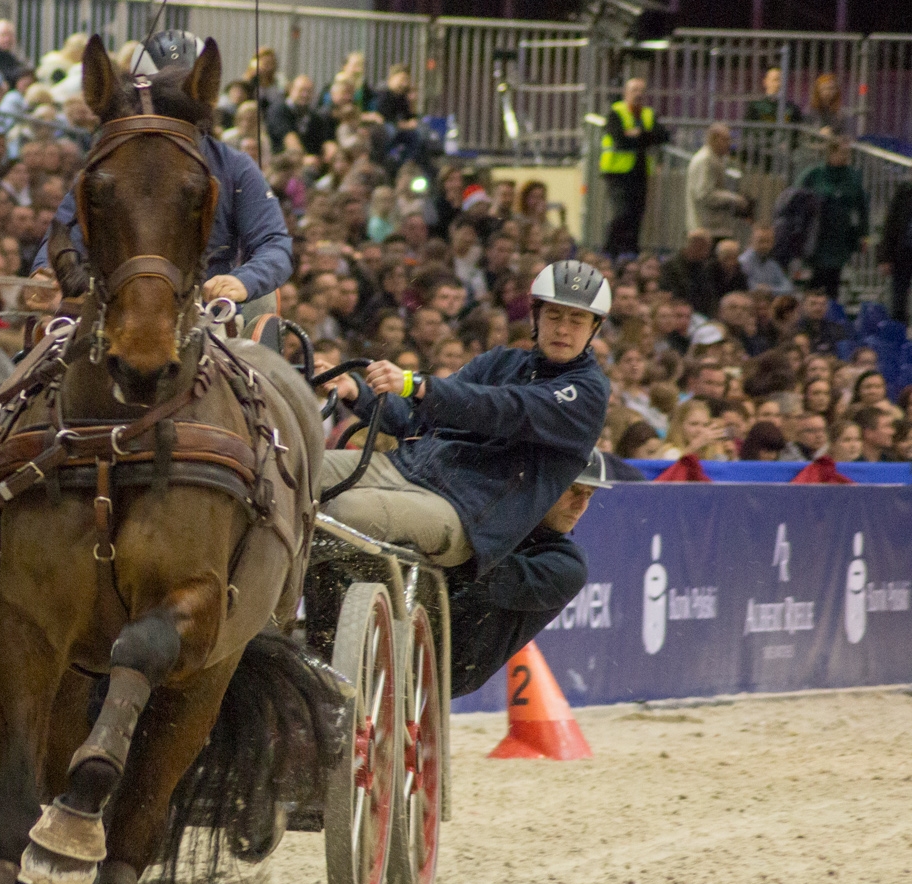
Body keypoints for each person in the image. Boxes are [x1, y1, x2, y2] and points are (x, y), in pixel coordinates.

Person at [322, 260, 610, 575]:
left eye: (577, 320)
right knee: (294, 471)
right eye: (553, 315)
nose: (563, 329)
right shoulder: (499, 361)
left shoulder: (587, 392)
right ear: (535, 316)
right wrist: (357, 393)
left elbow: (505, 409)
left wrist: (416, 384)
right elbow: (415, 417)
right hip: (406, 468)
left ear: (594, 327)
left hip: (465, 514)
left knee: (342, 509)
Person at [31, 30, 293, 314]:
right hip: (112, 305)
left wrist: (244, 280)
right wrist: (47, 272)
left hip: (210, 312)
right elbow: (65, 232)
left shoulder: (235, 166)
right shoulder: (112, 161)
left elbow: (274, 244)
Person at [448, 449, 611, 697]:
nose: (580, 505)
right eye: (574, 490)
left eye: (588, 495)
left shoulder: (567, 565)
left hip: (453, 665)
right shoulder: (494, 518)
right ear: (542, 486)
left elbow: (482, 579)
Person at [600, 78, 669, 257]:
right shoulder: (616, 112)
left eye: (641, 90)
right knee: (621, 213)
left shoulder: (648, 113)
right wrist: (644, 137)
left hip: (640, 172)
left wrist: (636, 135)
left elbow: (663, 135)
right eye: (634, 90)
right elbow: (620, 140)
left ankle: (631, 252)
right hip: (617, 172)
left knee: (637, 214)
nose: (638, 94)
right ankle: (610, 251)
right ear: (626, 93)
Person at [795, 137, 868, 300]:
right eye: (841, 152)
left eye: (847, 153)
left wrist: (864, 234)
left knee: (834, 279)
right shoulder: (814, 174)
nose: (845, 157)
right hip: (816, 235)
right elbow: (797, 200)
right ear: (830, 153)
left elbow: (862, 207)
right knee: (815, 278)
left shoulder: (853, 177)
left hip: (840, 236)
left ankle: (830, 314)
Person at [685, 124, 749, 240]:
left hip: (713, 225)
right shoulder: (705, 160)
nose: (729, 144)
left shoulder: (714, 159)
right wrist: (734, 199)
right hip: (705, 227)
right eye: (725, 139)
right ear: (713, 139)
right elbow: (705, 194)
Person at [877, 179, 912, 324]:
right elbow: (891, 225)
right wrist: (885, 257)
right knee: (898, 301)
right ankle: (899, 337)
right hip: (903, 254)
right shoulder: (903, 192)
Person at [739, 225, 793, 295]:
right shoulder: (743, 262)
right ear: (752, 241)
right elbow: (748, 287)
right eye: (761, 241)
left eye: (768, 241)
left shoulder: (772, 264)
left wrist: (770, 290)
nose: (765, 245)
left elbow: (788, 287)